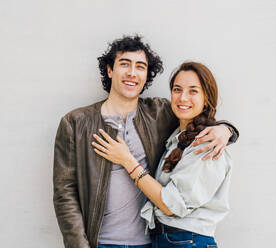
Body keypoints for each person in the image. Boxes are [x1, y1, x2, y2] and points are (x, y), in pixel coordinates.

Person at [53, 35, 238, 248]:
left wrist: (226, 130)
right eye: (124, 64)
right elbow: (64, 194)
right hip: (100, 242)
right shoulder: (75, 123)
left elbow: (196, 116)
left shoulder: (159, 114)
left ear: (146, 76)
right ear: (109, 70)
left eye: (140, 66)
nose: (132, 73)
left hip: (149, 242)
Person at [92, 61, 232, 248]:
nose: (183, 98)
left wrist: (127, 160)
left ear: (207, 97)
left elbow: (170, 205)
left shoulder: (207, 144)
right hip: (166, 239)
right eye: (177, 89)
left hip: (187, 241)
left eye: (193, 91)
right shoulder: (177, 137)